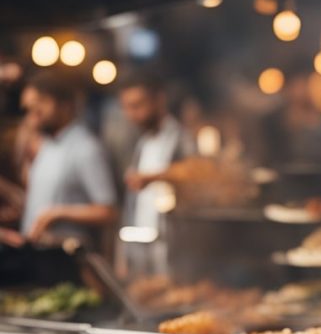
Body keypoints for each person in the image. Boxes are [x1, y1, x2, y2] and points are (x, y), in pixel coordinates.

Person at [0, 69, 117, 248]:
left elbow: (107, 211)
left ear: (64, 104)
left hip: (66, 256)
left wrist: (57, 214)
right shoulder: (47, 146)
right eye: (29, 110)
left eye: (38, 109)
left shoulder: (85, 148)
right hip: (36, 251)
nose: (32, 118)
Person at [119, 70, 196, 231]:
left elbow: (195, 172)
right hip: (142, 237)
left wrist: (154, 177)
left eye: (137, 106)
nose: (131, 114)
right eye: (127, 108)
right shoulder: (142, 142)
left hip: (172, 236)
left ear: (159, 100)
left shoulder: (180, 138)